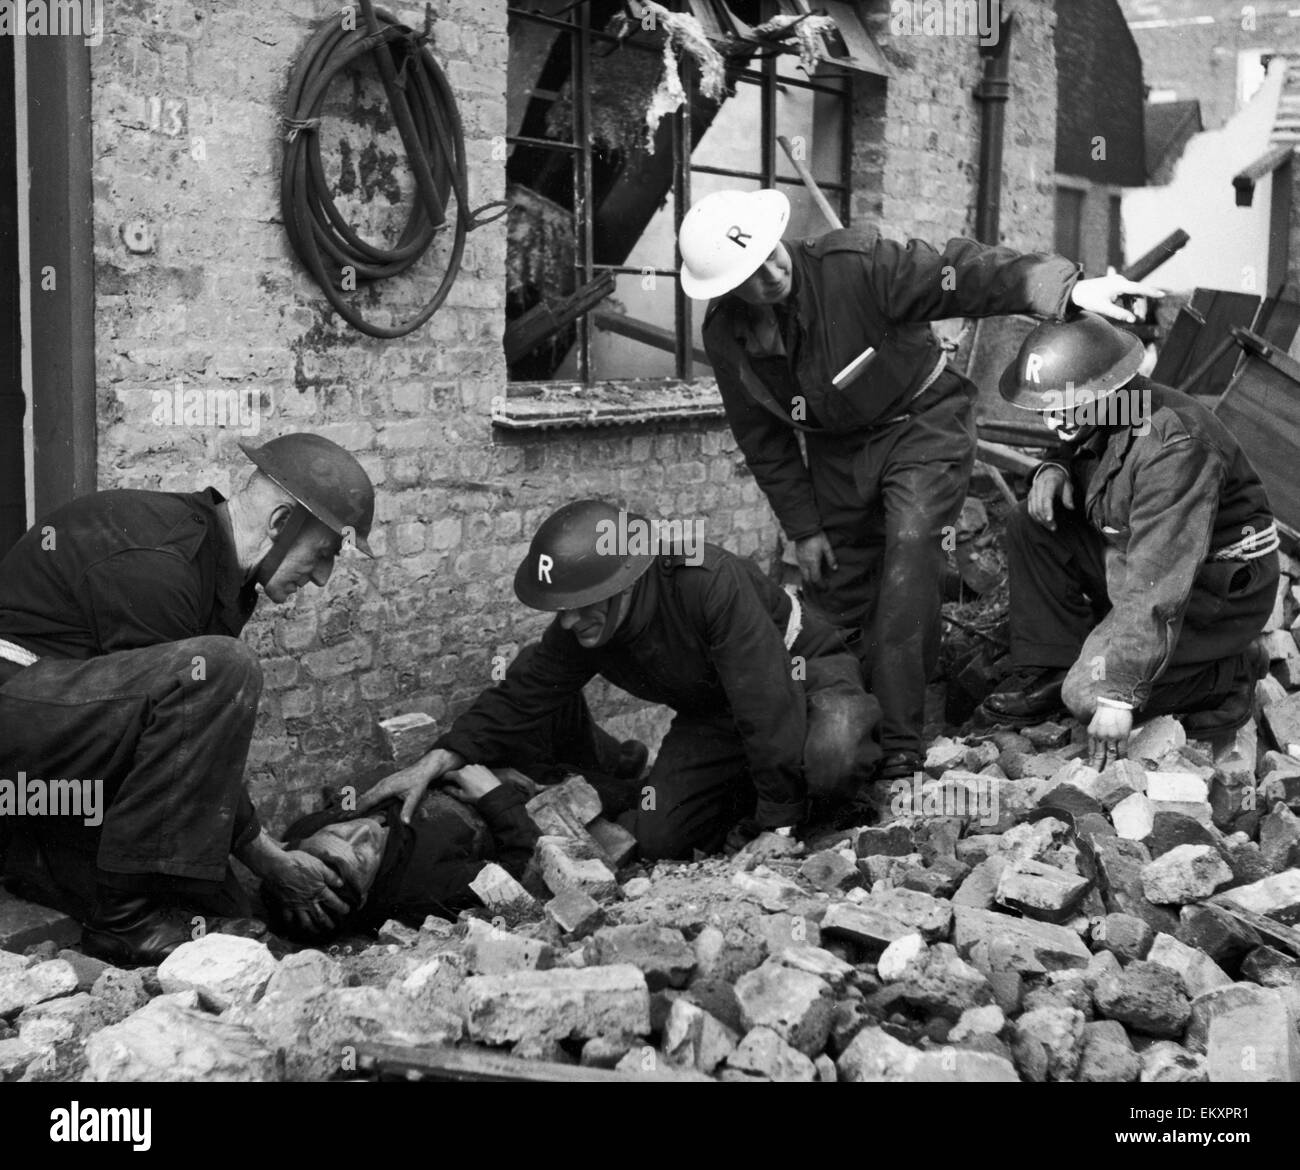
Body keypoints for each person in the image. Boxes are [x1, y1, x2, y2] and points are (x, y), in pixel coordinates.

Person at [677, 188, 1162, 782]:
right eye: (751, 272)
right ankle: (836, 745)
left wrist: (1065, 289)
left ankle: (903, 746)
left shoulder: (858, 265)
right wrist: (803, 528)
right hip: (836, 451)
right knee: (839, 592)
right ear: (728, 286)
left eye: (773, 254)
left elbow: (962, 272)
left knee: (910, 555)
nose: (773, 272)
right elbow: (763, 440)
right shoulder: (729, 336)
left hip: (921, 422)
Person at [0, 433, 376, 966]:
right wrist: (268, 857)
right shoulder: (162, 561)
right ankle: (122, 924)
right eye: (323, 554)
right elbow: (185, 712)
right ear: (279, 524)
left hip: (61, 733)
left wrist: (259, 862)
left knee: (217, 900)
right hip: (16, 705)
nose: (320, 577)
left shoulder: (223, 571)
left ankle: (37, 856)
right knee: (224, 669)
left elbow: (180, 745)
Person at [359, 499, 881, 860]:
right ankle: (758, 784)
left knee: (831, 756)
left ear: (624, 584)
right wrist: (442, 755)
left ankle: (797, 794)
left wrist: (778, 826)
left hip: (798, 670)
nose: (566, 622)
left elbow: (765, 698)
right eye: (560, 610)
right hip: (716, 713)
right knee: (658, 838)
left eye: (579, 608)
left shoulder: (705, 580)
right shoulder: (584, 618)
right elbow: (525, 694)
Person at [980, 313, 1279, 765]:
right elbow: (1079, 447)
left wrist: (1119, 692)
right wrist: (1055, 468)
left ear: (1106, 389)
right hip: (1134, 559)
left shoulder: (1173, 447)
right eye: (1047, 407)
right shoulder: (1110, 407)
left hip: (1211, 590)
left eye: (1064, 406)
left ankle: (1229, 672)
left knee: (1087, 696)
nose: (1051, 419)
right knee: (1032, 522)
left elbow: (1160, 577)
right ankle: (1052, 664)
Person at [264, 764, 539, 941]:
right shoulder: (427, 888)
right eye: (361, 855)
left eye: (337, 833)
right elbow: (517, 877)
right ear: (363, 897)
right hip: (503, 797)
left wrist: (443, 767)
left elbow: (341, 800)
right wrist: (496, 795)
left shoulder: (307, 832)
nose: (366, 830)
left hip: (453, 769)